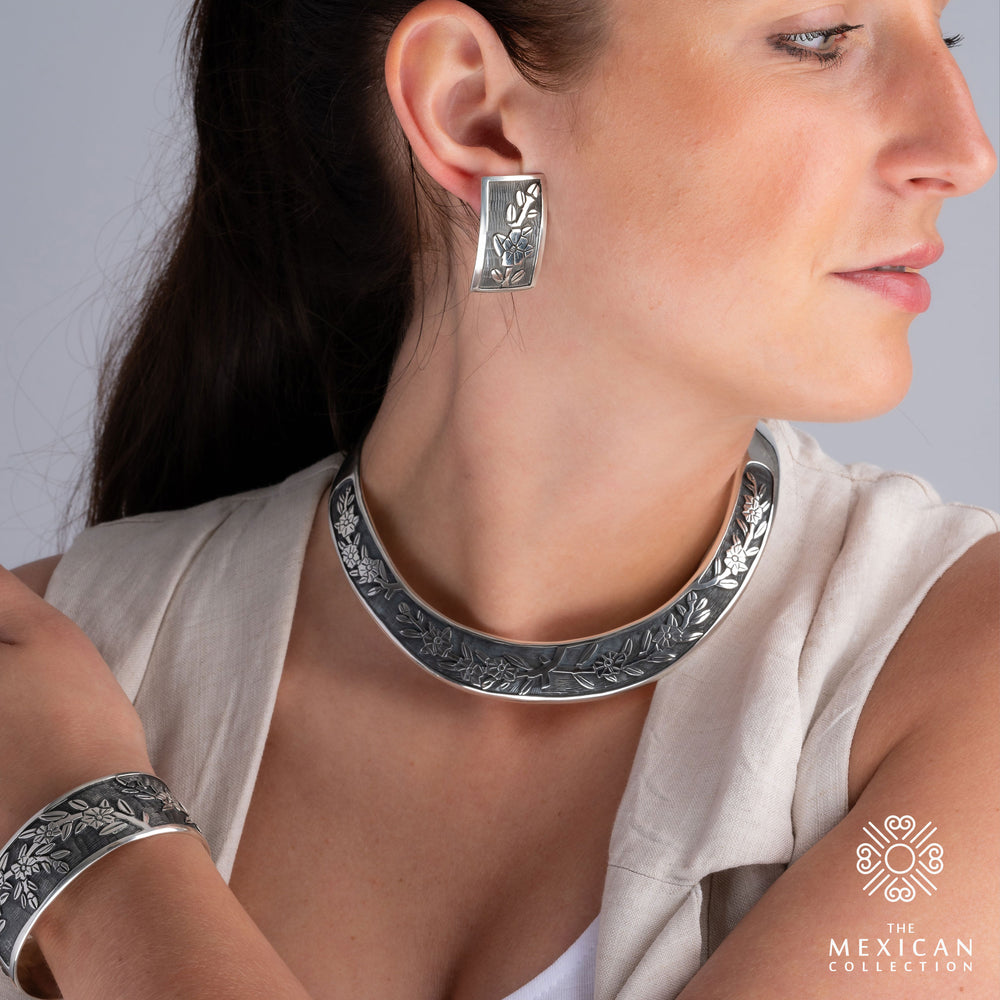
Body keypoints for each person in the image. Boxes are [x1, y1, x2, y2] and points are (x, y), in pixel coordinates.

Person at [1, 0, 997, 998]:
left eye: (941, 34)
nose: (964, 151)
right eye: (819, 38)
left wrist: (88, 851)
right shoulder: (55, 658)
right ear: (473, 113)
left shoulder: (959, 676)